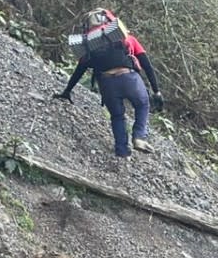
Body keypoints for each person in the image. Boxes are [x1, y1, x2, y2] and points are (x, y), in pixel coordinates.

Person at [55, 9, 164, 162]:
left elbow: (79, 70)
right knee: (142, 104)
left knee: (117, 116)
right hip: (128, 78)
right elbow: (147, 65)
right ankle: (139, 137)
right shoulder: (127, 38)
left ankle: (122, 152)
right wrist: (156, 91)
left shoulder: (89, 45)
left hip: (106, 84)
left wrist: (67, 91)